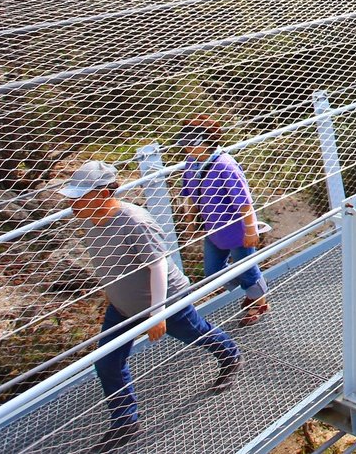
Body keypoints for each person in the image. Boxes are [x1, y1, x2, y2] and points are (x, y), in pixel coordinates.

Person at [63, 160, 242, 453]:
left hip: (166, 301)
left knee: (195, 333)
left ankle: (231, 354)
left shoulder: (136, 221)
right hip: (123, 307)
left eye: (78, 196)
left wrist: (157, 314)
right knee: (107, 361)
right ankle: (125, 422)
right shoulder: (88, 220)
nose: (72, 204)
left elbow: (158, 265)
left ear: (102, 194)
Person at [176, 117, 271, 327]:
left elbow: (244, 202)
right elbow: (190, 195)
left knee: (247, 268)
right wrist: (191, 224)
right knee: (213, 272)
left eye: (190, 141)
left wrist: (249, 230)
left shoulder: (226, 166)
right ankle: (253, 289)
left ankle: (259, 301)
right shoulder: (192, 164)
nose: (186, 146)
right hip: (213, 228)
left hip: (235, 229)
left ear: (206, 141)